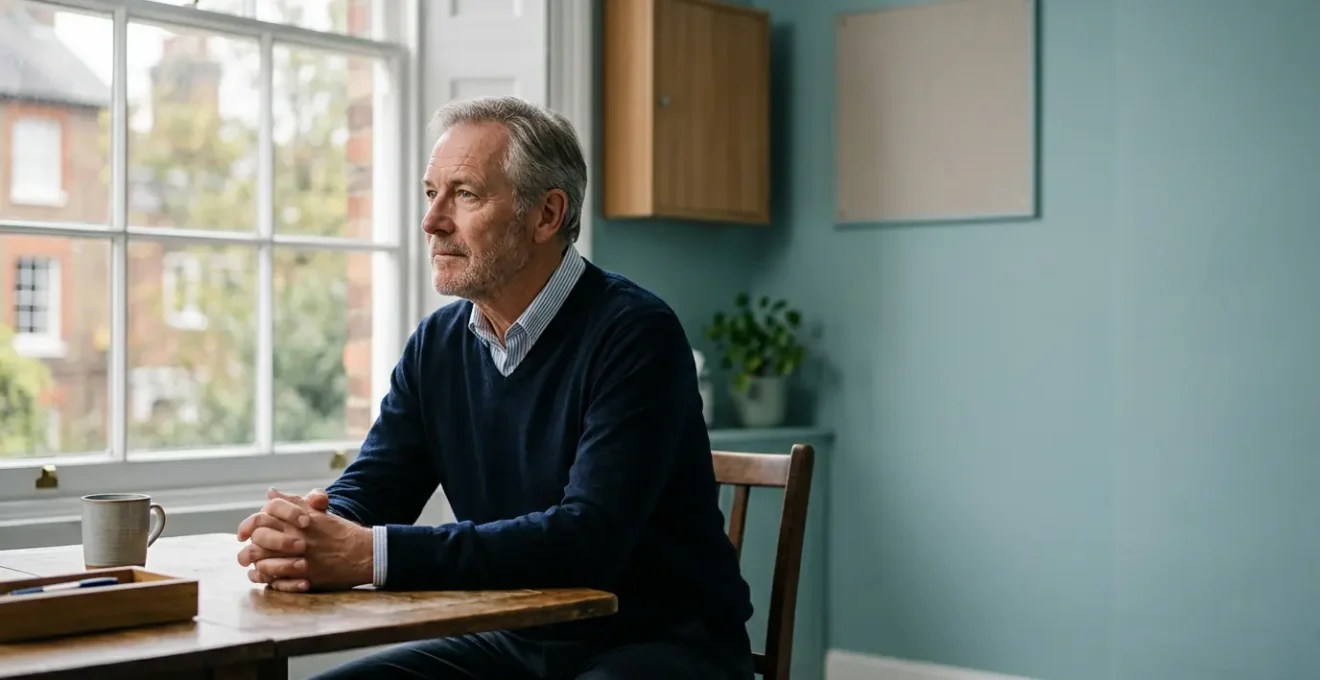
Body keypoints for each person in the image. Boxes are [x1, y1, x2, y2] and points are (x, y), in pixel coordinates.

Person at [233, 96, 755, 679]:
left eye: (465, 194)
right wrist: (310, 529)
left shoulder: (637, 334)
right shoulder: (437, 344)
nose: (432, 221)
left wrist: (369, 554)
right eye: (431, 193)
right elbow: (379, 484)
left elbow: (587, 539)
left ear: (546, 215)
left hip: (662, 645)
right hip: (516, 642)